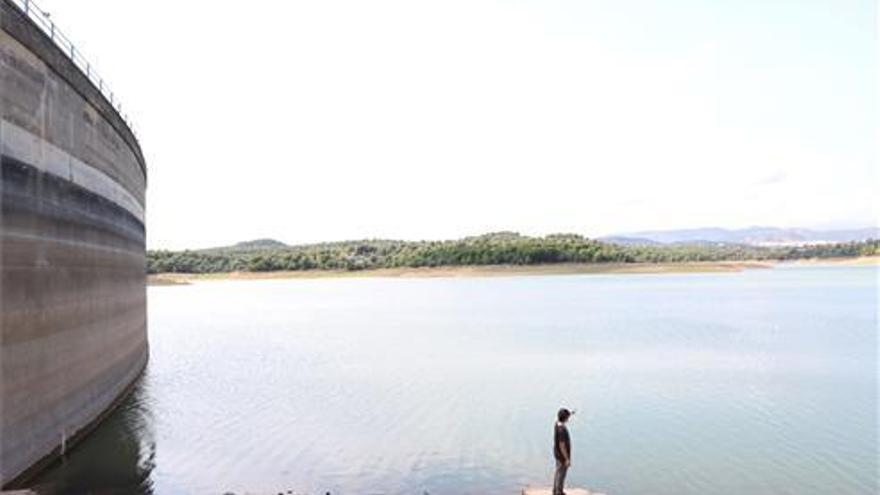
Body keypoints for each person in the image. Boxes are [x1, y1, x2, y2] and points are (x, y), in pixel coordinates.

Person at [553, 407, 573, 495]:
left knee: (558, 472)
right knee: (561, 474)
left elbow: (563, 417)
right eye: (567, 417)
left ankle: (555, 490)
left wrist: (570, 413)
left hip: (557, 453)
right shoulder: (562, 430)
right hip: (562, 456)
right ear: (565, 418)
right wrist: (567, 459)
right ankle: (559, 492)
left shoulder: (557, 424)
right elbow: (562, 445)